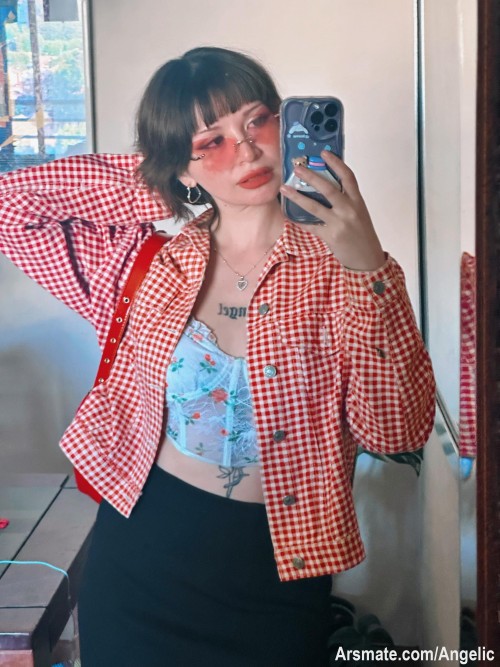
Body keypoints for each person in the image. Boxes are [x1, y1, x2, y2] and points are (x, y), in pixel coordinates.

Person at [0, 47, 436, 666]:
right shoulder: (145, 265)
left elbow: (396, 430)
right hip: (138, 563)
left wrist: (369, 267)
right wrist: (162, 180)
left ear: (286, 122)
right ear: (182, 163)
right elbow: (12, 204)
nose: (247, 151)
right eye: (213, 141)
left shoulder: (345, 269)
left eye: (258, 121)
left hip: (276, 577)